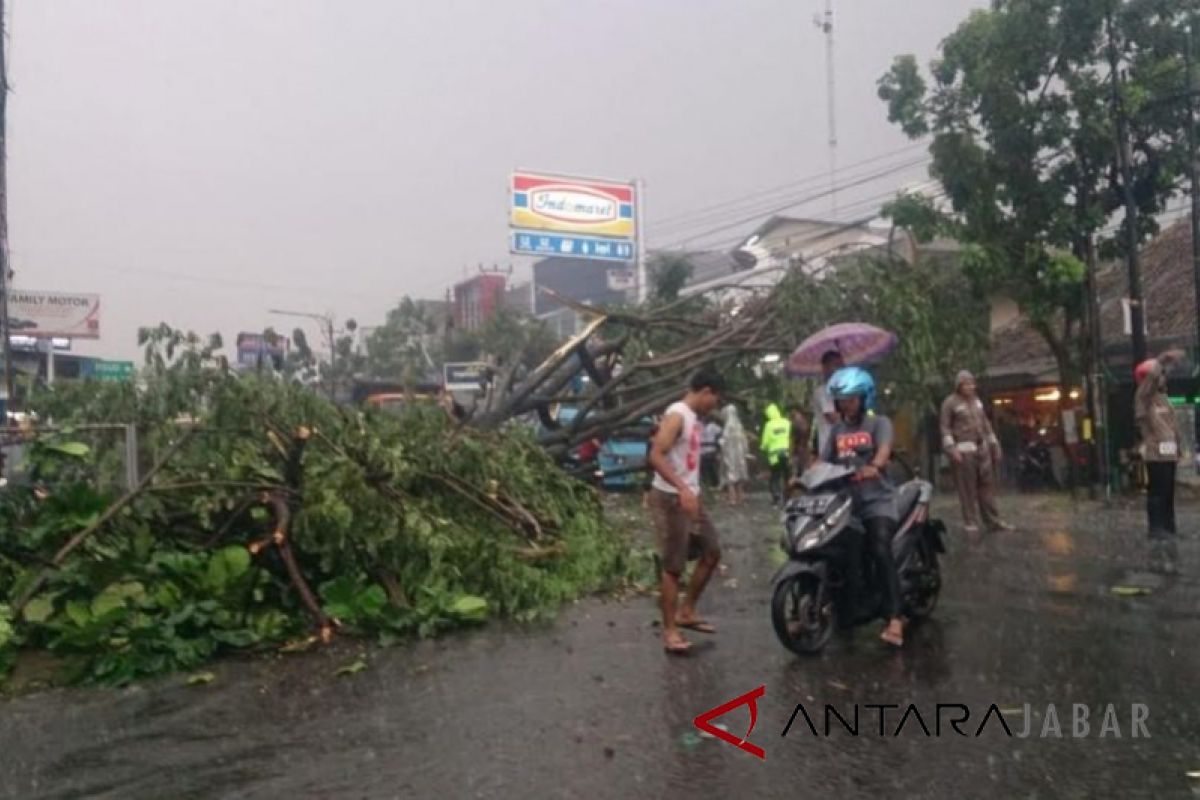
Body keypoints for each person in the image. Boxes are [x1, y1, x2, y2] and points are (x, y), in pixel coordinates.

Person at [820, 366, 905, 647]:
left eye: (851, 399)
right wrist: (805, 476)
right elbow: (824, 463)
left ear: (864, 398)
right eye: (841, 400)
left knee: (879, 547)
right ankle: (838, 608)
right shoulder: (836, 431)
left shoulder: (879, 423)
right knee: (832, 552)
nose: (845, 404)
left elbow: (884, 449)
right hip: (846, 505)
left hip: (877, 501)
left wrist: (875, 466)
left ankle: (895, 618)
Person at [647, 369, 726, 654]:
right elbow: (655, 454)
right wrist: (681, 488)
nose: (714, 405)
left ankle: (687, 610)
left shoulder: (693, 417)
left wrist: (692, 491)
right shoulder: (677, 414)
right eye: (715, 399)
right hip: (671, 500)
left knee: (712, 551)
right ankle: (670, 631)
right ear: (705, 391)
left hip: (690, 498)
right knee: (673, 567)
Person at [940, 370, 1014, 536]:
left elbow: (985, 423)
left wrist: (995, 444)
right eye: (966, 383)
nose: (970, 386)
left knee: (987, 486)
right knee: (967, 488)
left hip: (982, 448)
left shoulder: (977, 402)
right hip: (964, 449)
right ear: (959, 385)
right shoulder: (949, 403)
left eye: (972, 383)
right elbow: (945, 428)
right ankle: (970, 521)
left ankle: (993, 520)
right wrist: (952, 449)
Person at [1135, 352, 1184, 574]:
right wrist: (1162, 360)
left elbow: (1173, 426)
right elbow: (1150, 379)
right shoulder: (1143, 398)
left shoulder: (1163, 399)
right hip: (1155, 452)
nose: (1163, 378)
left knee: (1168, 492)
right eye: (1159, 376)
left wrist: (1179, 447)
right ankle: (1156, 528)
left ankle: (1169, 526)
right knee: (1157, 491)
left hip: (1169, 452)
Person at [811, 351, 844, 460]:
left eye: (841, 366)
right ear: (825, 368)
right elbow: (833, 418)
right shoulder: (823, 392)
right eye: (835, 365)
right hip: (830, 449)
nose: (839, 370)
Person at [760, 403, 792, 505]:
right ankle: (789, 496)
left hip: (774, 456)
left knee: (775, 477)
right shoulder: (787, 423)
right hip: (787, 453)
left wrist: (763, 447)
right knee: (787, 476)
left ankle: (776, 497)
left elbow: (765, 442)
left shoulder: (769, 425)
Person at [719, 404, 750, 505]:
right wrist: (745, 452)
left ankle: (732, 498)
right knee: (740, 476)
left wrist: (721, 445)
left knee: (730, 477)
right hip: (740, 455)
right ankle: (741, 497)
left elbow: (724, 442)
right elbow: (745, 442)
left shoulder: (727, 428)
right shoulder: (739, 426)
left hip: (730, 455)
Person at [700, 417, 723, 489]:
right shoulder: (699, 425)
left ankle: (715, 484)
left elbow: (721, 432)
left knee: (711, 468)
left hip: (710, 449)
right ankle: (705, 484)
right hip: (701, 449)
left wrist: (717, 442)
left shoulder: (713, 426)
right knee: (702, 468)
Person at [789, 406, 812, 476]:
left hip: (799, 446)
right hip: (803, 446)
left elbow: (795, 435)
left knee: (798, 467)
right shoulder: (804, 420)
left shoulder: (797, 421)